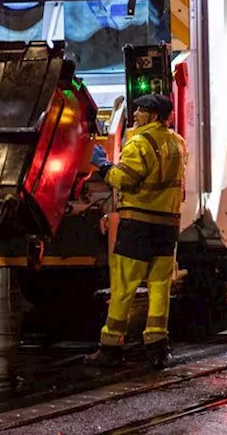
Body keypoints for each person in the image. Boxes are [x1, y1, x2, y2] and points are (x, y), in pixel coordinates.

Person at [85, 93, 186, 369]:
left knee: (123, 287)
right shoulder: (178, 143)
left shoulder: (139, 143)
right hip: (167, 226)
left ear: (153, 116)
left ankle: (110, 346)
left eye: (141, 111)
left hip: (138, 225)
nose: (136, 114)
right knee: (159, 287)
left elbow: (124, 179)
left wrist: (103, 166)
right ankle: (157, 347)